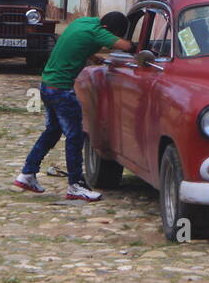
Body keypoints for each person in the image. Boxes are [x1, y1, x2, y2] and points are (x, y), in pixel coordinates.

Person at [16, 11, 132, 201]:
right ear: (111, 31)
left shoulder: (85, 22)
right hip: (62, 91)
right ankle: (75, 185)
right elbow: (126, 46)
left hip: (47, 85)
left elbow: (78, 41)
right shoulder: (101, 33)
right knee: (75, 136)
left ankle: (27, 174)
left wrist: (92, 55)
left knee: (52, 131)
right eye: (116, 34)